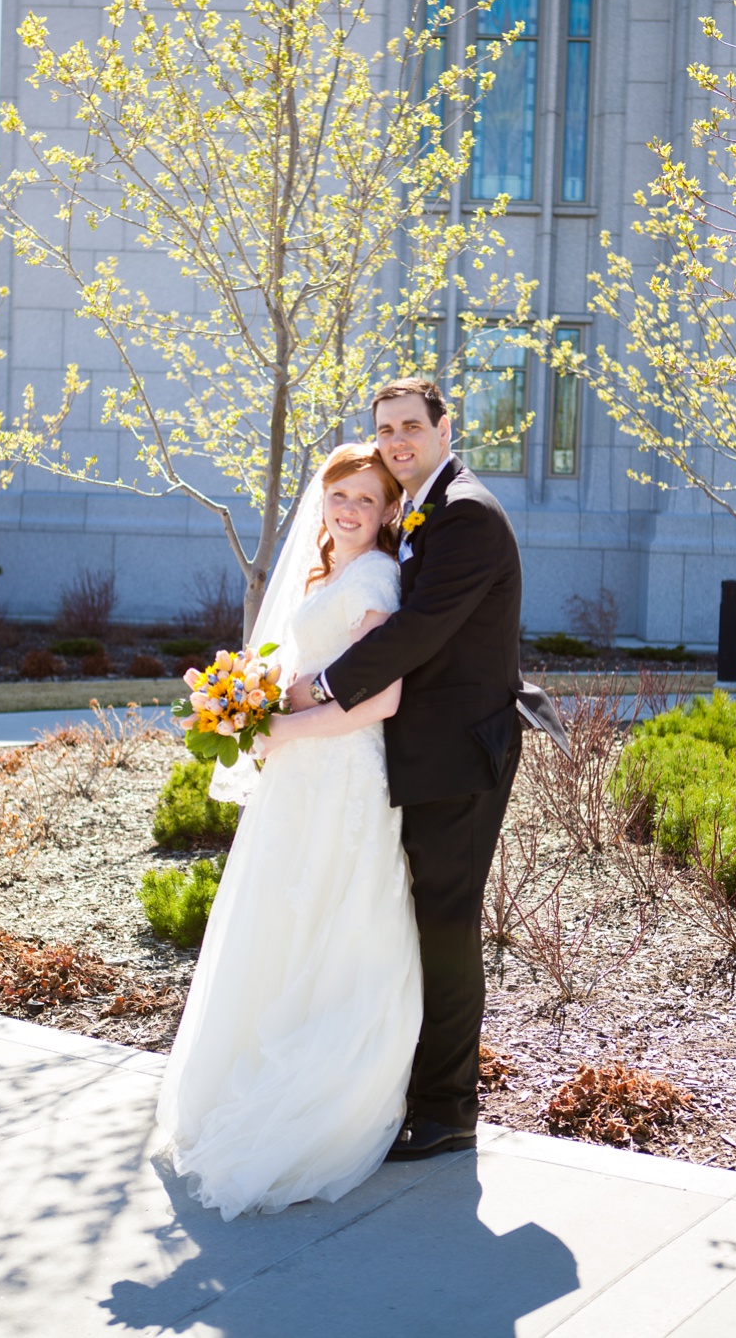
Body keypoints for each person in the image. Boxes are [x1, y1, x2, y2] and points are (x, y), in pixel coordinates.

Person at [149, 441, 421, 1220]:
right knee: (282, 922)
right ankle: (254, 1069)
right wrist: (257, 703)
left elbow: (382, 700)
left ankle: (319, 1101)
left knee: (332, 924)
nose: (348, 511)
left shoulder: (376, 578)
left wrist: (282, 731)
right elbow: (308, 675)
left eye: (367, 500)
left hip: (343, 777)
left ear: (388, 511)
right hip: (302, 777)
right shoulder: (326, 573)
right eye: (340, 496)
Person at [291, 375, 524, 1163]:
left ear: (443, 426)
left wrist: (319, 686)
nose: (397, 439)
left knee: (448, 932)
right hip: (422, 753)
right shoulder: (422, 510)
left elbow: (422, 628)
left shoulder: (467, 516)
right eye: (385, 427)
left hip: (459, 756)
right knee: (419, 925)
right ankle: (412, 1089)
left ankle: (449, 1111)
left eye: (410, 426)